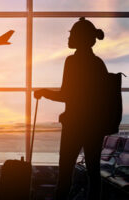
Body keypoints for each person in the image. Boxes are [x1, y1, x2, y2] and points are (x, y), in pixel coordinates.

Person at [34, 17, 107, 200]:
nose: (68, 38)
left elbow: (67, 95)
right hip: (94, 127)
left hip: (74, 125)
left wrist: (44, 92)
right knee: (93, 172)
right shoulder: (98, 63)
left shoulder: (72, 62)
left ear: (80, 38)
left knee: (65, 173)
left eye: (72, 34)